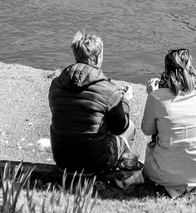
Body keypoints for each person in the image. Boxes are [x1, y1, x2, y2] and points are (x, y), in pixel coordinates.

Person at [49, 30, 137, 176]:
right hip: (95, 165)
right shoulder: (108, 89)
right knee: (130, 127)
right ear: (98, 57)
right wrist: (125, 100)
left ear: (76, 55)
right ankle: (123, 172)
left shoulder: (56, 84)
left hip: (62, 162)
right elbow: (120, 128)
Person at [141, 48, 196, 197]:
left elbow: (147, 130)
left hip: (166, 172)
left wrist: (152, 94)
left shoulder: (156, 97)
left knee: (150, 150)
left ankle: (171, 186)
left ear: (167, 70)